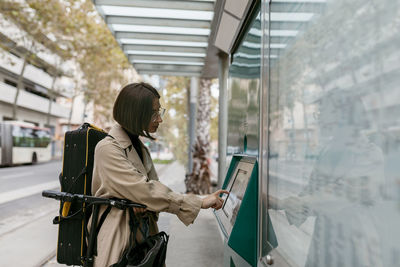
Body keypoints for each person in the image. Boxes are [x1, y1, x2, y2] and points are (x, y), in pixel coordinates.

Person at [91, 82, 228, 267]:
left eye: (159, 112)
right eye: (154, 113)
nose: (159, 119)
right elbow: (146, 191)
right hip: (119, 244)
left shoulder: (141, 149)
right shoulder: (107, 148)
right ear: (136, 114)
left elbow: (150, 195)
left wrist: (143, 201)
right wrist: (199, 201)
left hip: (144, 242)